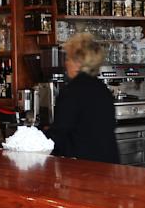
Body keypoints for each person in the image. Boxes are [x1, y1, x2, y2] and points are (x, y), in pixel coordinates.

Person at [46, 33, 119, 164]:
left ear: (79, 62)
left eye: (68, 58)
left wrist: (34, 141)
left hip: (82, 165)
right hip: (109, 161)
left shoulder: (72, 90)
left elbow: (60, 132)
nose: (66, 63)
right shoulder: (102, 89)